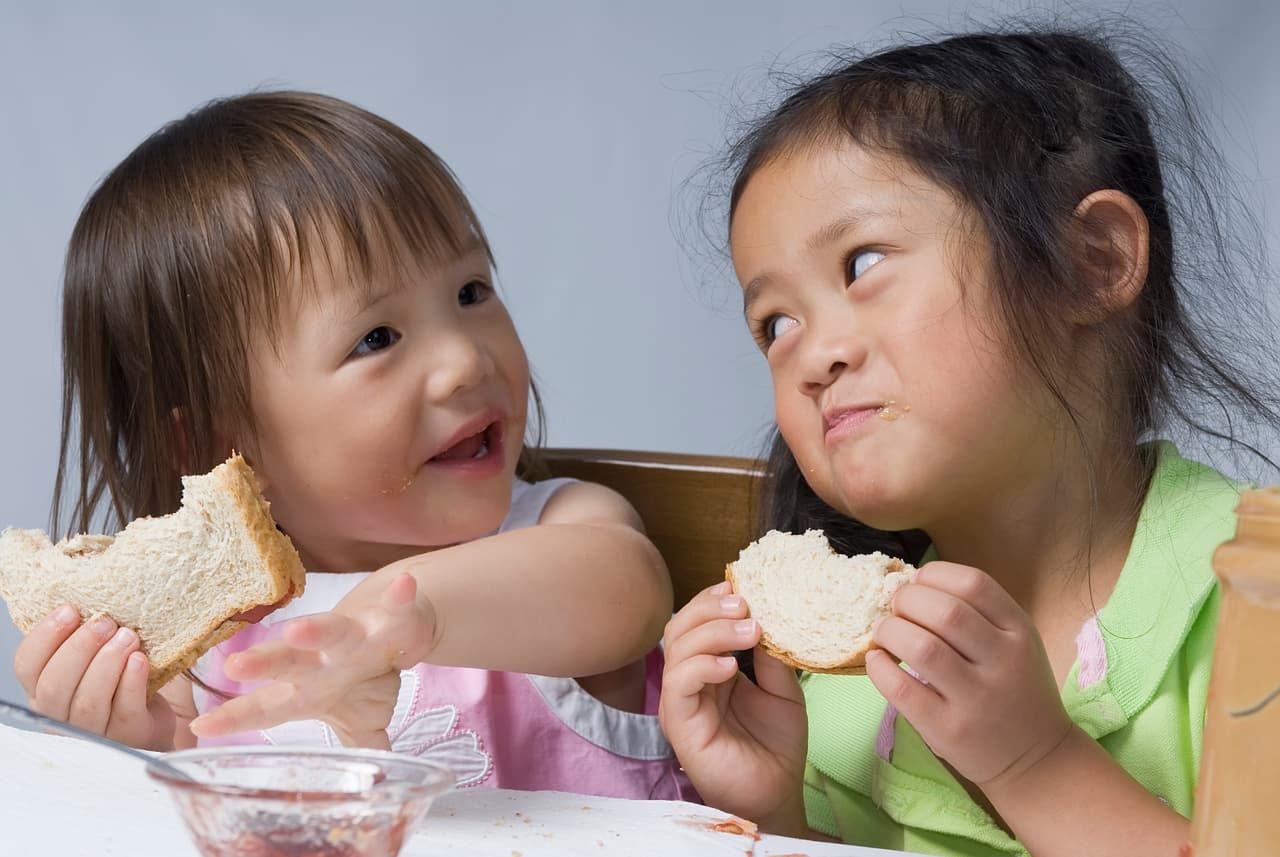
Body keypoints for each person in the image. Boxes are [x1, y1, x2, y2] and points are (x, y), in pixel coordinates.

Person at [659, 26, 1280, 855]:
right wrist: (776, 820)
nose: (812, 354)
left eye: (862, 262)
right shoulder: (829, 697)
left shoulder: (1254, 602)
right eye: (775, 322)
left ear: (1088, 262)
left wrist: (1036, 763)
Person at [13, 90, 691, 800]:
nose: (466, 360)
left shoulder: (567, 528)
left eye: (471, 290)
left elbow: (626, 591)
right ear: (226, 448)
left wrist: (405, 617)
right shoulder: (203, 657)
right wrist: (135, 748)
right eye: (376, 338)